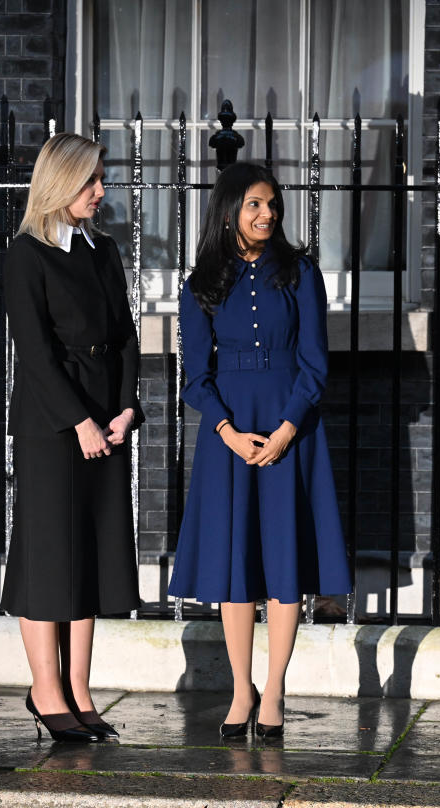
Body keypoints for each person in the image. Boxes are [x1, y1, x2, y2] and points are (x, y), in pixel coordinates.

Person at [168, 162, 352, 740]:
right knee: (235, 565)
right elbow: (195, 376)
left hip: (288, 433)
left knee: (283, 562)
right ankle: (240, 690)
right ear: (228, 211)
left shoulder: (299, 274)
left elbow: (316, 364)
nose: (267, 214)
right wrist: (227, 431)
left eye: (272, 204)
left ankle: (274, 691)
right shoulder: (200, 283)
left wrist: (285, 431)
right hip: (229, 437)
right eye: (254, 205)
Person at [0, 133, 143, 743]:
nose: (101, 192)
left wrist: (126, 407)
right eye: (90, 182)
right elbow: (33, 351)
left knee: (89, 555)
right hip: (52, 425)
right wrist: (78, 421)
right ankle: (45, 689)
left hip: (106, 419)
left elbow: (127, 336)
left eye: (100, 180)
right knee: (50, 556)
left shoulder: (103, 250)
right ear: (60, 183)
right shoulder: (25, 254)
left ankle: (80, 690)